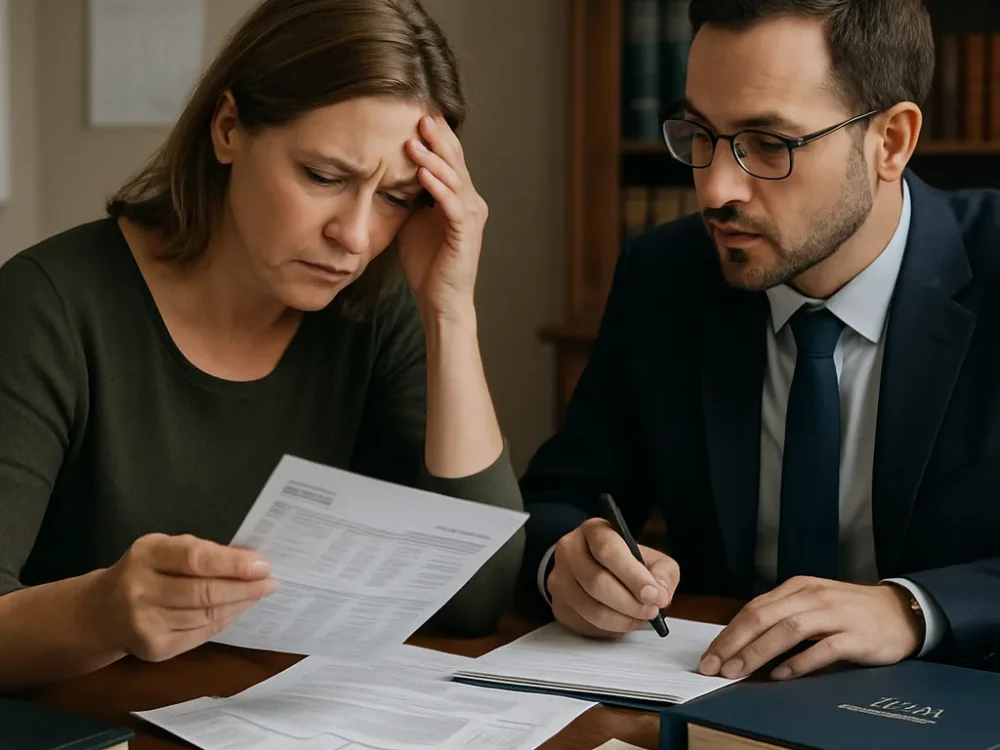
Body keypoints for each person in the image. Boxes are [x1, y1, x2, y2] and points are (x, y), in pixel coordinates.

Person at [0, 0, 524, 691]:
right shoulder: (49, 306)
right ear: (227, 128)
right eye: (324, 177)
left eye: (397, 197)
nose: (357, 236)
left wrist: (450, 310)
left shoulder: (375, 311)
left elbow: (474, 601)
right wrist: (101, 612)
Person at [519, 0, 1000, 682]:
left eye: (769, 144)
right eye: (699, 134)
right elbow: (557, 499)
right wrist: (569, 561)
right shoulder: (665, 276)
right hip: (718, 700)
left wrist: (913, 608)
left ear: (890, 141)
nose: (715, 188)